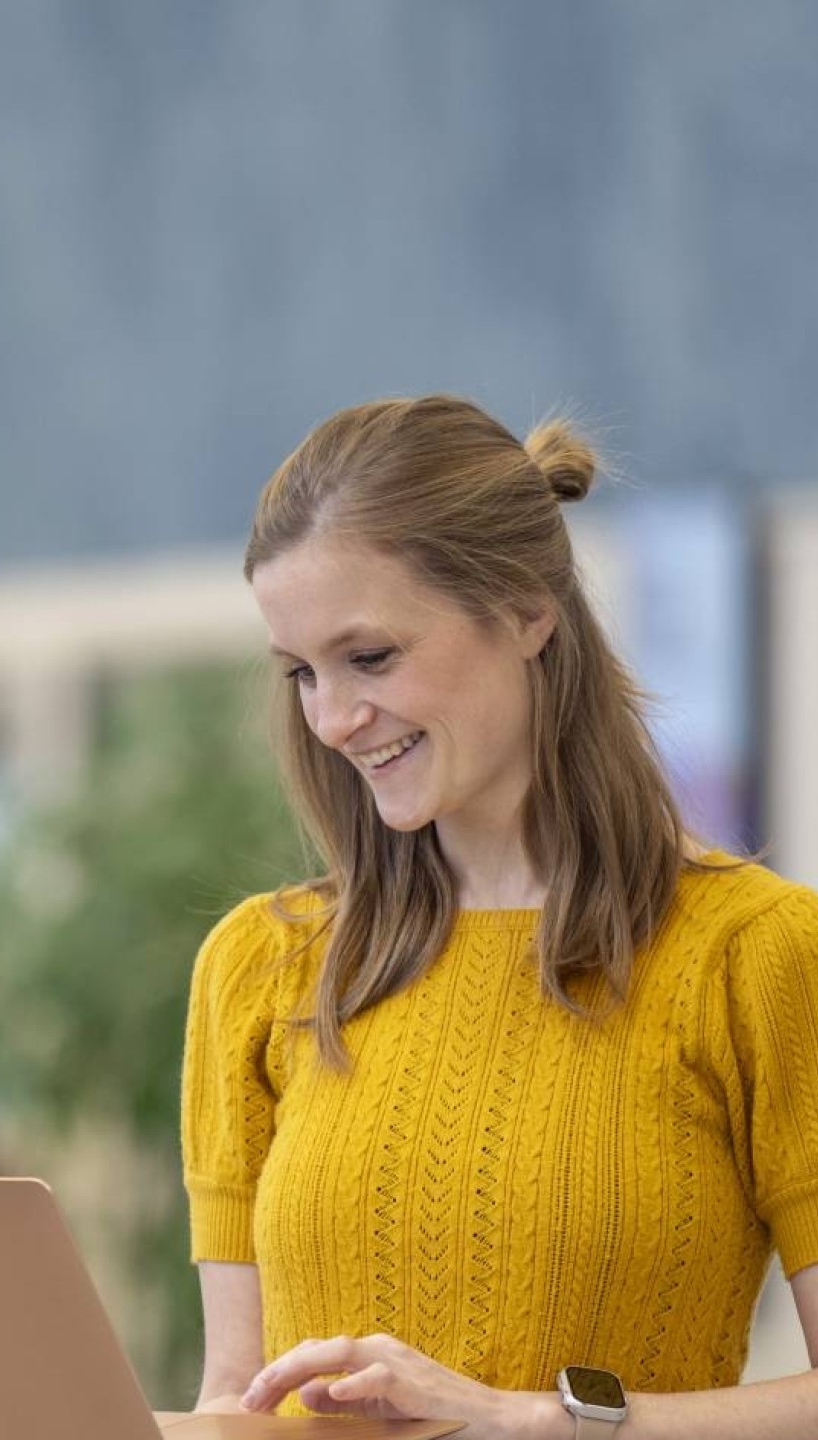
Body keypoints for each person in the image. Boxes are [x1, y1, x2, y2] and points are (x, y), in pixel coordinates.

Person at [181, 395, 818, 1438]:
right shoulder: (259, 965)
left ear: (526, 611)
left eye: (370, 658)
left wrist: (540, 1421)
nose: (332, 720)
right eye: (301, 674)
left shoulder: (753, 957)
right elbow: (234, 1398)